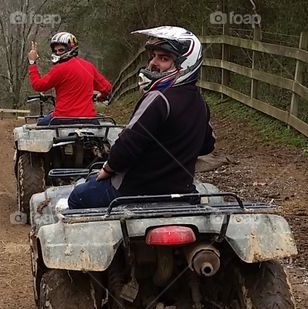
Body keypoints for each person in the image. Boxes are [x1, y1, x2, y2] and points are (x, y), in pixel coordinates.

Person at [67, 25, 215, 209]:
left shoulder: (158, 98)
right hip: (181, 192)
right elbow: (207, 145)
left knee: (77, 196)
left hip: (133, 191)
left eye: (164, 58)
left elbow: (128, 144)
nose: (153, 63)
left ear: (184, 65)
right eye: (153, 56)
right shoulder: (200, 103)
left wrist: (107, 168)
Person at [28, 31, 112, 124]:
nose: (57, 53)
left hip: (63, 118)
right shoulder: (88, 66)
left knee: (39, 125)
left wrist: (32, 63)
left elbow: (38, 86)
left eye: (61, 50)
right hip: (89, 119)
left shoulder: (59, 69)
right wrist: (101, 97)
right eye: (55, 51)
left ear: (70, 49)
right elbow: (107, 88)